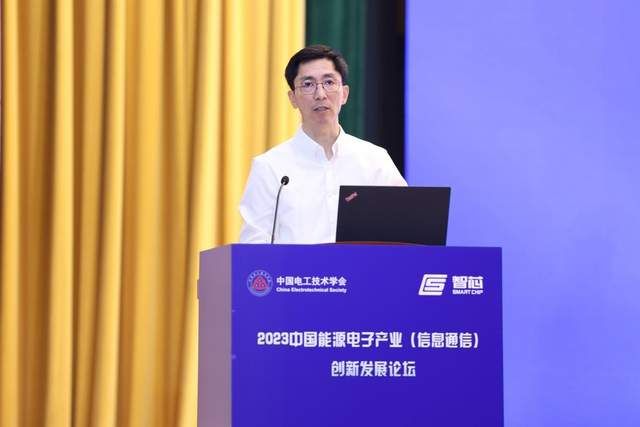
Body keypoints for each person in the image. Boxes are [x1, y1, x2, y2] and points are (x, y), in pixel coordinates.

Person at [239, 44, 407, 244]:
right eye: (308, 84)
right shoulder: (270, 167)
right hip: (297, 266)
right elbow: (253, 245)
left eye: (329, 82)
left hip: (363, 265)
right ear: (293, 98)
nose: (320, 94)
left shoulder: (375, 160)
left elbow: (405, 231)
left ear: (344, 94)